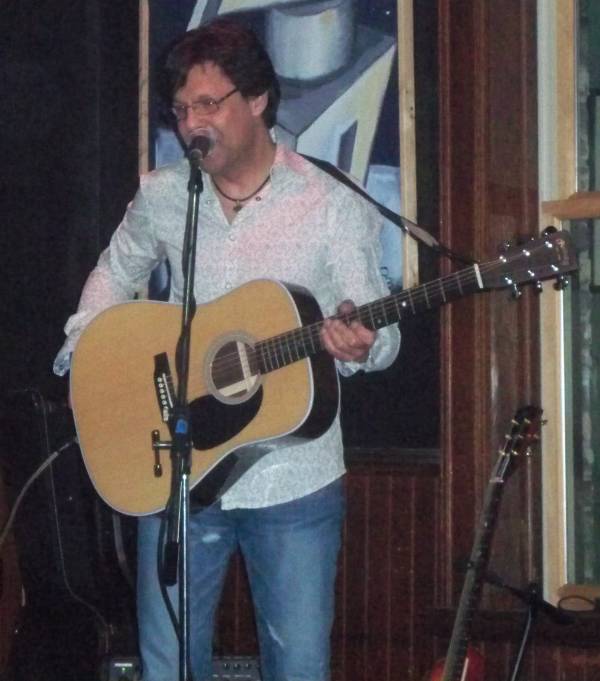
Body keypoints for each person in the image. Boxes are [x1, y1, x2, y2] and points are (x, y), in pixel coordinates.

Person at [54, 18, 400, 681]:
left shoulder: (330, 205)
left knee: (298, 666)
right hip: (179, 470)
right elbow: (114, 271)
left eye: (208, 104)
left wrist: (361, 342)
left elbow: (380, 332)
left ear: (259, 100)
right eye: (182, 110)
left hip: (295, 482)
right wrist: (90, 350)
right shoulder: (165, 195)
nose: (191, 124)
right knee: (167, 667)